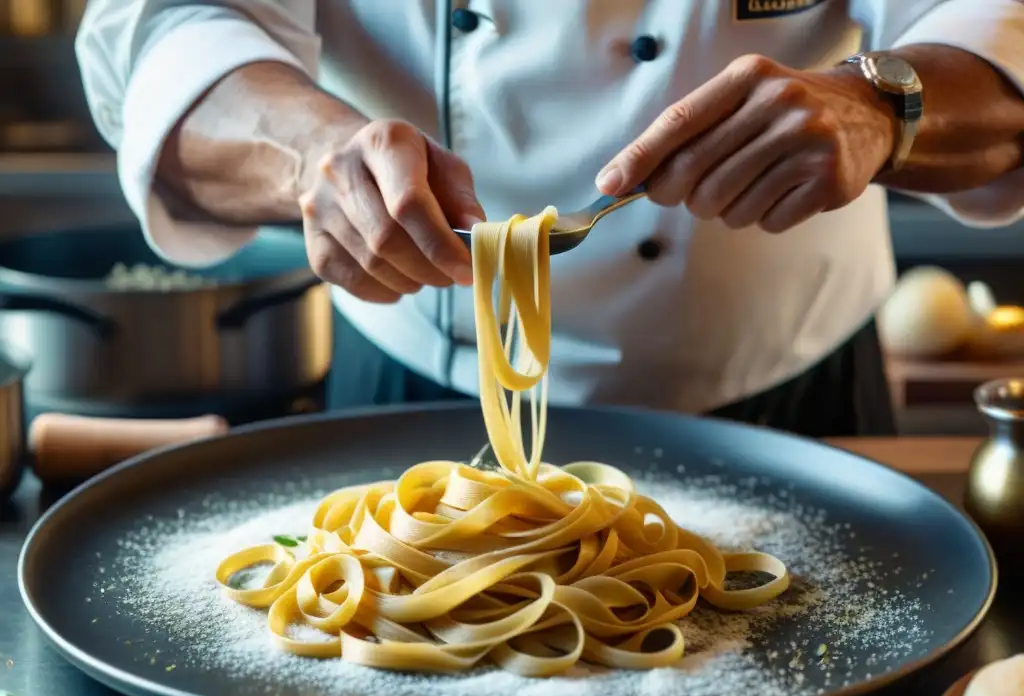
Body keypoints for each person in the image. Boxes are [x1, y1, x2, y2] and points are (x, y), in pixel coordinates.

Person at [75, 1, 1024, 437]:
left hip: (799, 395)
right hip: (414, 393)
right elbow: (165, 30)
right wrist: (315, 156)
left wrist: (883, 105)